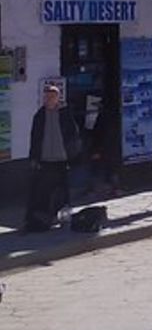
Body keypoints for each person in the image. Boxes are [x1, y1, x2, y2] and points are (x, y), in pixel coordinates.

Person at [25, 84, 82, 232]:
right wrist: (34, 157)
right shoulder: (39, 116)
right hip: (45, 160)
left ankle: (64, 217)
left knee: (63, 190)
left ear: (58, 98)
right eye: (47, 97)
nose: (49, 99)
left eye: (52, 97)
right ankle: (45, 217)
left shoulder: (65, 115)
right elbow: (35, 138)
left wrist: (73, 155)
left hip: (62, 159)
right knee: (44, 191)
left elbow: (73, 136)